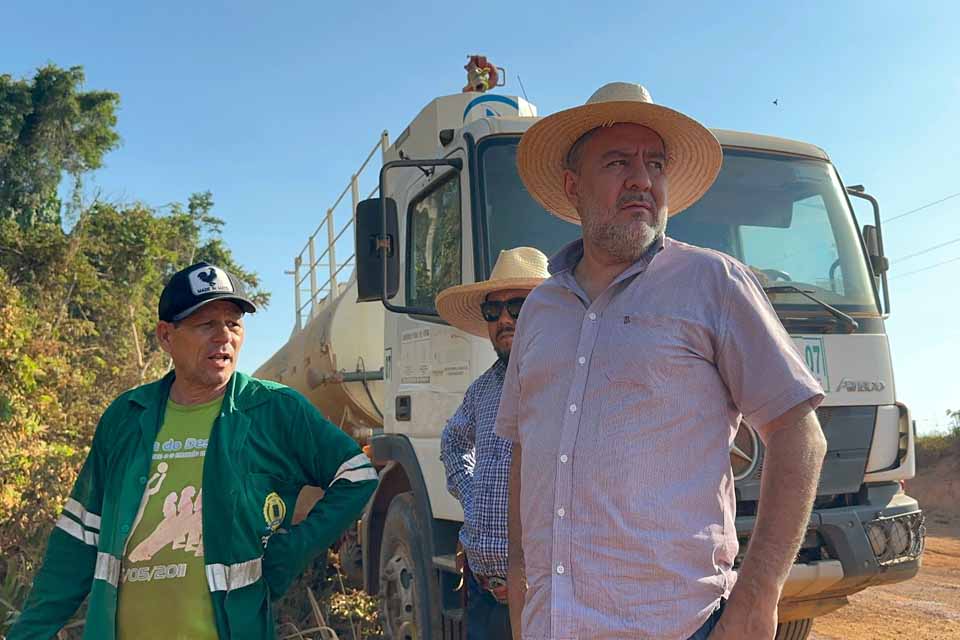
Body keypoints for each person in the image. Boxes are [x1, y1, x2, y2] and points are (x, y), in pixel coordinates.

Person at [496, 83, 828, 640]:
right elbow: (524, 449)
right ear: (574, 187)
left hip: (677, 626)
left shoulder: (713, 283)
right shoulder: (539, 309)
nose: (642, 179)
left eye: (654, 163)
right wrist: (518, 574)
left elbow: (800, 434)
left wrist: (757, 596)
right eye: (618, 161)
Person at [9, 261, 378, 640]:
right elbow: (78, 539)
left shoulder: (274, 410)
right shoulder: (126, 417)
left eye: (233, 323)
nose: (224, 337)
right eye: (206, 325)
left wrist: (295, 549)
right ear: (166, 336)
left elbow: (357, 474)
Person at [436, 247, 550, 640]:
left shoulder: (570, 384)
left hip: (546, 600)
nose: (504, 318)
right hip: (484, 599)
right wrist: (473, 494)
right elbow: (452, 441)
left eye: (519, 306)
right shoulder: (482, 389)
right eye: (493, 310)